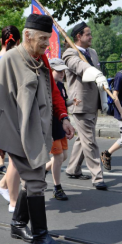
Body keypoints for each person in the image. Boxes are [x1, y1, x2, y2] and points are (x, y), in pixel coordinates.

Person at [0, 14, 75, 244]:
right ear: (27, 35)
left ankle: (18, 224)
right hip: (16, 132)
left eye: (48, 38)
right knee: (35, 181)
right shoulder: (10, 60)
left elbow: (53, 92)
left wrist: (63, 117)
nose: (46, 44)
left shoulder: (41, 58)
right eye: (42, 38)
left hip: (40, 131)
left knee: (34, 177)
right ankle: (41, 236)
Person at [62, 21, 109, 190]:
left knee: (83, 138)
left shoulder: (92, 52)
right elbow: (81, 67)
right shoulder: (69, 53)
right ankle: (97, 177)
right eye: (88, 34)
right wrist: (95, 73)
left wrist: (103, 98)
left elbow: (98, 73)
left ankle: (73, 168)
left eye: (90, 34)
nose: (91, 37)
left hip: (93, 102)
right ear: (78, 36)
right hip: (80, 104)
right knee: (90, 141)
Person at [0, 25, 21, 213]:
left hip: (4, 112)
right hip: (12, 112)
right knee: (16, 160)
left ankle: (4, 186)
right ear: (18, 41)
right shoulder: (11, 59)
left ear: (1, 41)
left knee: (15, 159)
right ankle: (13, 200)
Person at [46, 58, 79, 201]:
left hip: (60, 124)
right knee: (58, 157)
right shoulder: (46, 86)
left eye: (63, 70)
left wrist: (71, 102)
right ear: (50, 71)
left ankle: (42, 171)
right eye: (58, 71)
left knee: (63, 156)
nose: (62, 73)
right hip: (51, 126)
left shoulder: (60, 85)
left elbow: (61, 102)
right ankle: (57, 187)